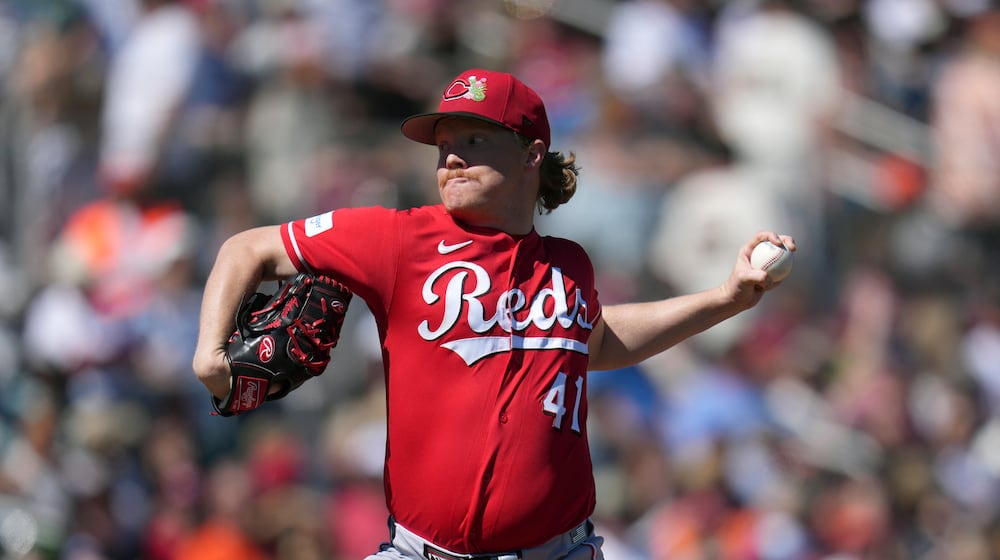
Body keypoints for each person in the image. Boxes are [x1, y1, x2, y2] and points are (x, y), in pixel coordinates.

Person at [192, 68, 796, 560]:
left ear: (532, 153)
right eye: (444, 145)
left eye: (474, 140)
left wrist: (725, 298)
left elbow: (596, 341)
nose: (450, 158)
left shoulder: (568, 264)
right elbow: (245, 248)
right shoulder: (396, 239)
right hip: (420, 552)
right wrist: (210, 356)